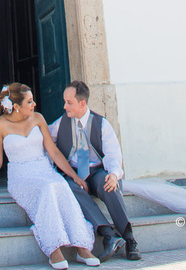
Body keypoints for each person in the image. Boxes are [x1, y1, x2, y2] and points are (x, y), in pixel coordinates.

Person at [0, 82, 101, 270]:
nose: (34, 105)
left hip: (44, 170)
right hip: (21, 176)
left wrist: (75, 176)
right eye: (30, 101)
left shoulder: (38, 119)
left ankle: (82, 247)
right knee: (48, 189)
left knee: (60, 185)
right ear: (16, 106)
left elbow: (54, 152)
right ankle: (54, 249)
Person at [48, 80, 142, 262]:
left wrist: (114, 175)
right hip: (75, 174)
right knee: (68, 187)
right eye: (65, 101)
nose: (64, 106)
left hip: (97, 172)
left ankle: (129, 238)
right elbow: (44, 139)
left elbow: (113, 155)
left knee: (108, 183)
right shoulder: (60, 124)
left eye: (69, 102)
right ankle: (109, 235)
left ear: (82, 103)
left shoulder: (101, 124)